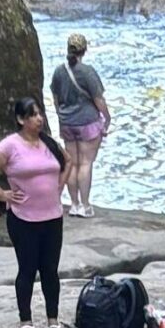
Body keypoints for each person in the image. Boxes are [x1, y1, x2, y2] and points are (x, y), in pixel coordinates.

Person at [0, 99, 69, 328]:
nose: (39, 119)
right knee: (27, 269)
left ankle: (52, 320)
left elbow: (69, 161)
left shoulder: (48, 142)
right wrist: (1, 194)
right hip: (23, 219)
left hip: (52, 217)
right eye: (32, 115)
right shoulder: (10, 146)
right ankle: (25, 320)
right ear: (20, 120)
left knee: (50, 270)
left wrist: (59, 186)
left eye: (39, 114)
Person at [50, 33, 110, 217]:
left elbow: (56, 99)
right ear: (85, 49)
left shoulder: (59, 71)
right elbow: (98, 99)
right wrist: (107, 118)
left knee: (73, 164)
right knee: (85, 163)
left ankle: (74, 204)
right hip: (87, 124)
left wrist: (61, 119)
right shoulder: (87, 72)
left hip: (67, 123)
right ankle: (85, 205)